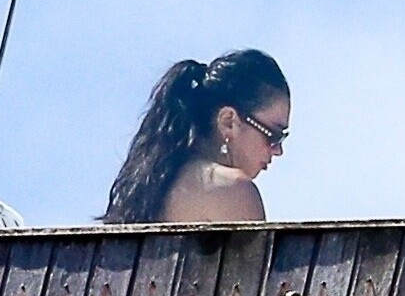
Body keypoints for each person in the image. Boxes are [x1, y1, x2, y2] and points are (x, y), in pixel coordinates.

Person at [100, 49, 290, 224]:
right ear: (228, 122)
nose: (278, 150)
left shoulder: (149, 188)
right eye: (274, 135)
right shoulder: (231, 189)